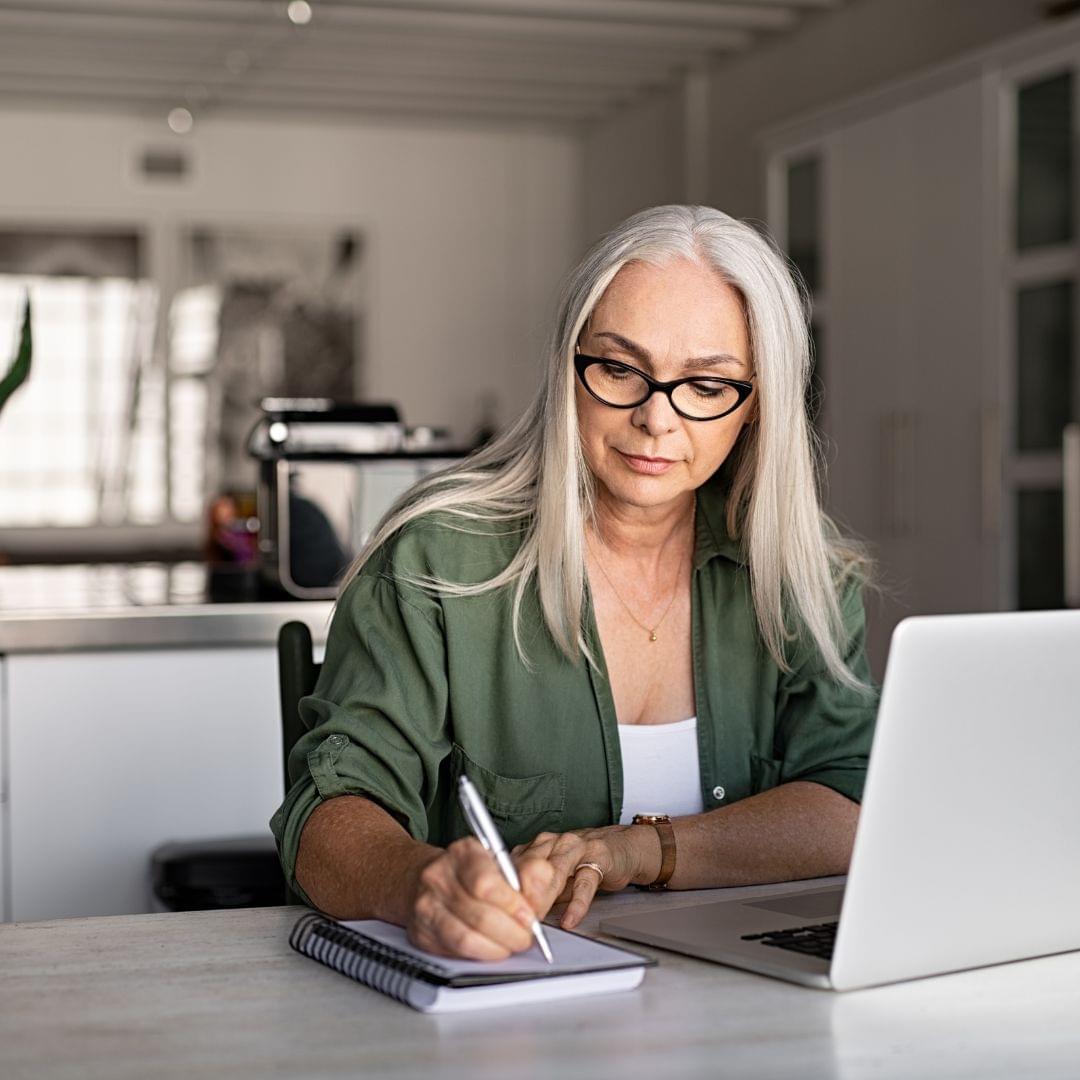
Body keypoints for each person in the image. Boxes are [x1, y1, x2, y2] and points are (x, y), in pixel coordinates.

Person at [271, 205, 878, 962]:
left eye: (707, 385)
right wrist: (417, 884)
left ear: (756, 407)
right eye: (621, 369)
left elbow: (852, 804)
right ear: (568, 368)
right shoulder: (435, 557)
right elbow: (327, 814)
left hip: (750, 996)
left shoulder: (801, 569)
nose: (657, 419)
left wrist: (636, 850)